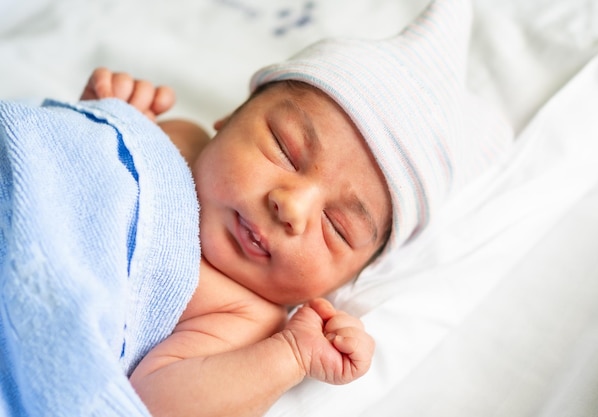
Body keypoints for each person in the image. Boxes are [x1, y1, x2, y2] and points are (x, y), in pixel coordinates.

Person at [0, 0, 511, 415]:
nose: (292, 205)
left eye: (337, 227)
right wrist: (105, 119)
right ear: (228, 119)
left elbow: (162, 402)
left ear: (347, 278)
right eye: (285, 149)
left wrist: (289, 355)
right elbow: (64, 171)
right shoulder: (177, 136)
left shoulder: (246, 315)